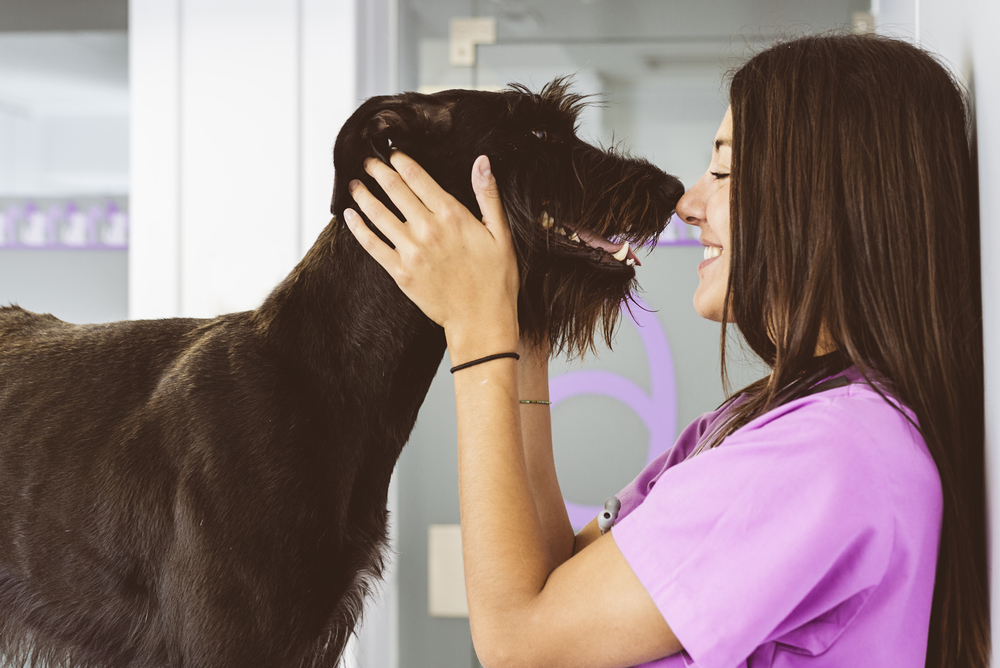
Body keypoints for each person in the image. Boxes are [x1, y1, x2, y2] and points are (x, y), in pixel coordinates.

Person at [343, 33, 988, 668]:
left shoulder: (825, 459)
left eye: (725, 170)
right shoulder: (773, 423)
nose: (689, 203)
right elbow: (555, 579)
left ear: (825, 197)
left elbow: (521, 644)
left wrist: (477, 335)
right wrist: (520, 335)